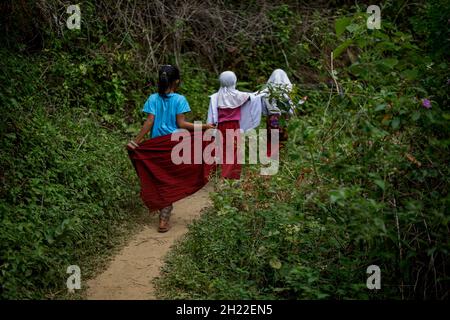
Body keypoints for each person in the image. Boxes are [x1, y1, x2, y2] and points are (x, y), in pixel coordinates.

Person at [127, 65, 214, 232]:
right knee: (171, 178)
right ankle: (164, 215)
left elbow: (150, 121)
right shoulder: (180, 99)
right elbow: (181, 124)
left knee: (160, 179)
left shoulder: (153, 98)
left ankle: (164, 215)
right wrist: (204, 126)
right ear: (177, 81)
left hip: (156, 145)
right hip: (174, 144)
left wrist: (136, 141)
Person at [207, 71, 262, 179]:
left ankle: (223, 175)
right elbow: (254, 97)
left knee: (223, 150)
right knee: (234, 152)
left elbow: (211, 115)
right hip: (234, 126)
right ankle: (229, 177)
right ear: (234, 81)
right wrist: (264, 92)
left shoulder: (216, 97)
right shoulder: (239, 95)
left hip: (221, 127)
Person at [258, 69, 307, 156]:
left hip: (271, 118)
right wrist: (299, 103)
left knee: (271, 137)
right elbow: (290, 109)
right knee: (281, 137)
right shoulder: (286, 92)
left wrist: (268, 114)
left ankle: (270, 157)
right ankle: (280, 158)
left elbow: (264, 109)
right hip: (283, 119)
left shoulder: (267, 92)